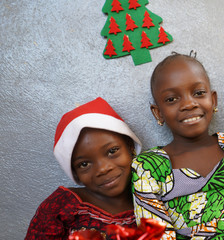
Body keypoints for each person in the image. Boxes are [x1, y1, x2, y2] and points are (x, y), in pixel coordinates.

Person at [132, 52, 224, 239]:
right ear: (158, 113)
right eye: (171, 99)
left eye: (198, 93)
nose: (189, 104)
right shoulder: (147, 167)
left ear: (213, 100)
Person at [25, 97, 142, 239]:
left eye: (112, 151)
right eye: (84, 164)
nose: (103, 169)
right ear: (74, 172)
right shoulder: (61, 207)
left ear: (130, 146)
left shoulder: (153, 199)